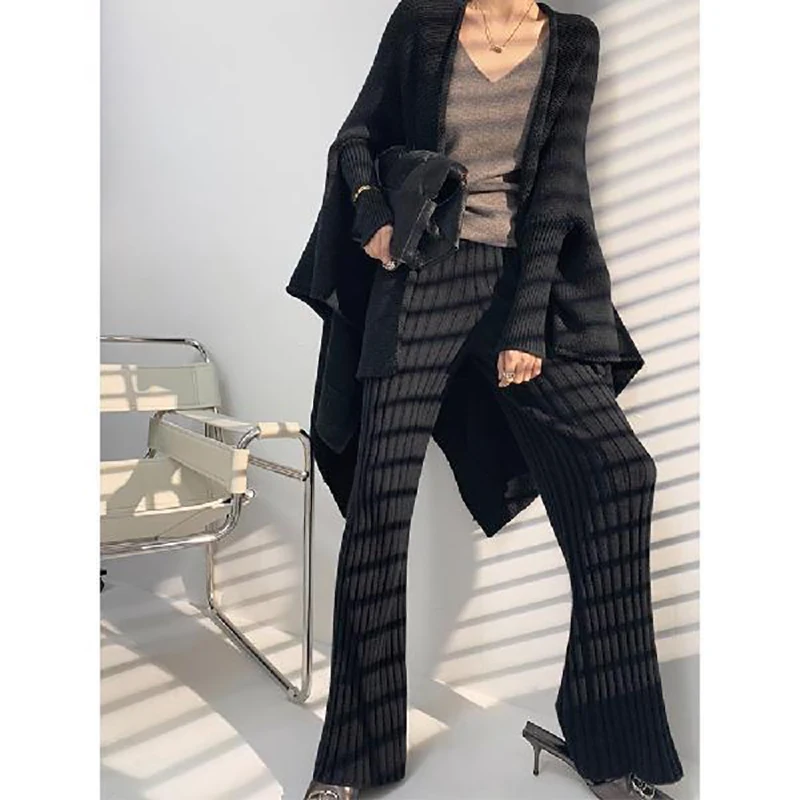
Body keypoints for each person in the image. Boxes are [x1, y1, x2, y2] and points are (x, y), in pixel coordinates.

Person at [288, 2, 685, 799]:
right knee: (378, 509)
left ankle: (602, 735)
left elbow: (558, 189)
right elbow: (356, 136)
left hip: (518, 287)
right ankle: (351, 762)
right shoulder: (424, 21)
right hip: (420, 280)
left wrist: (529, 323)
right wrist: (371, 211)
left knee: (620, 472)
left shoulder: (572, 42)